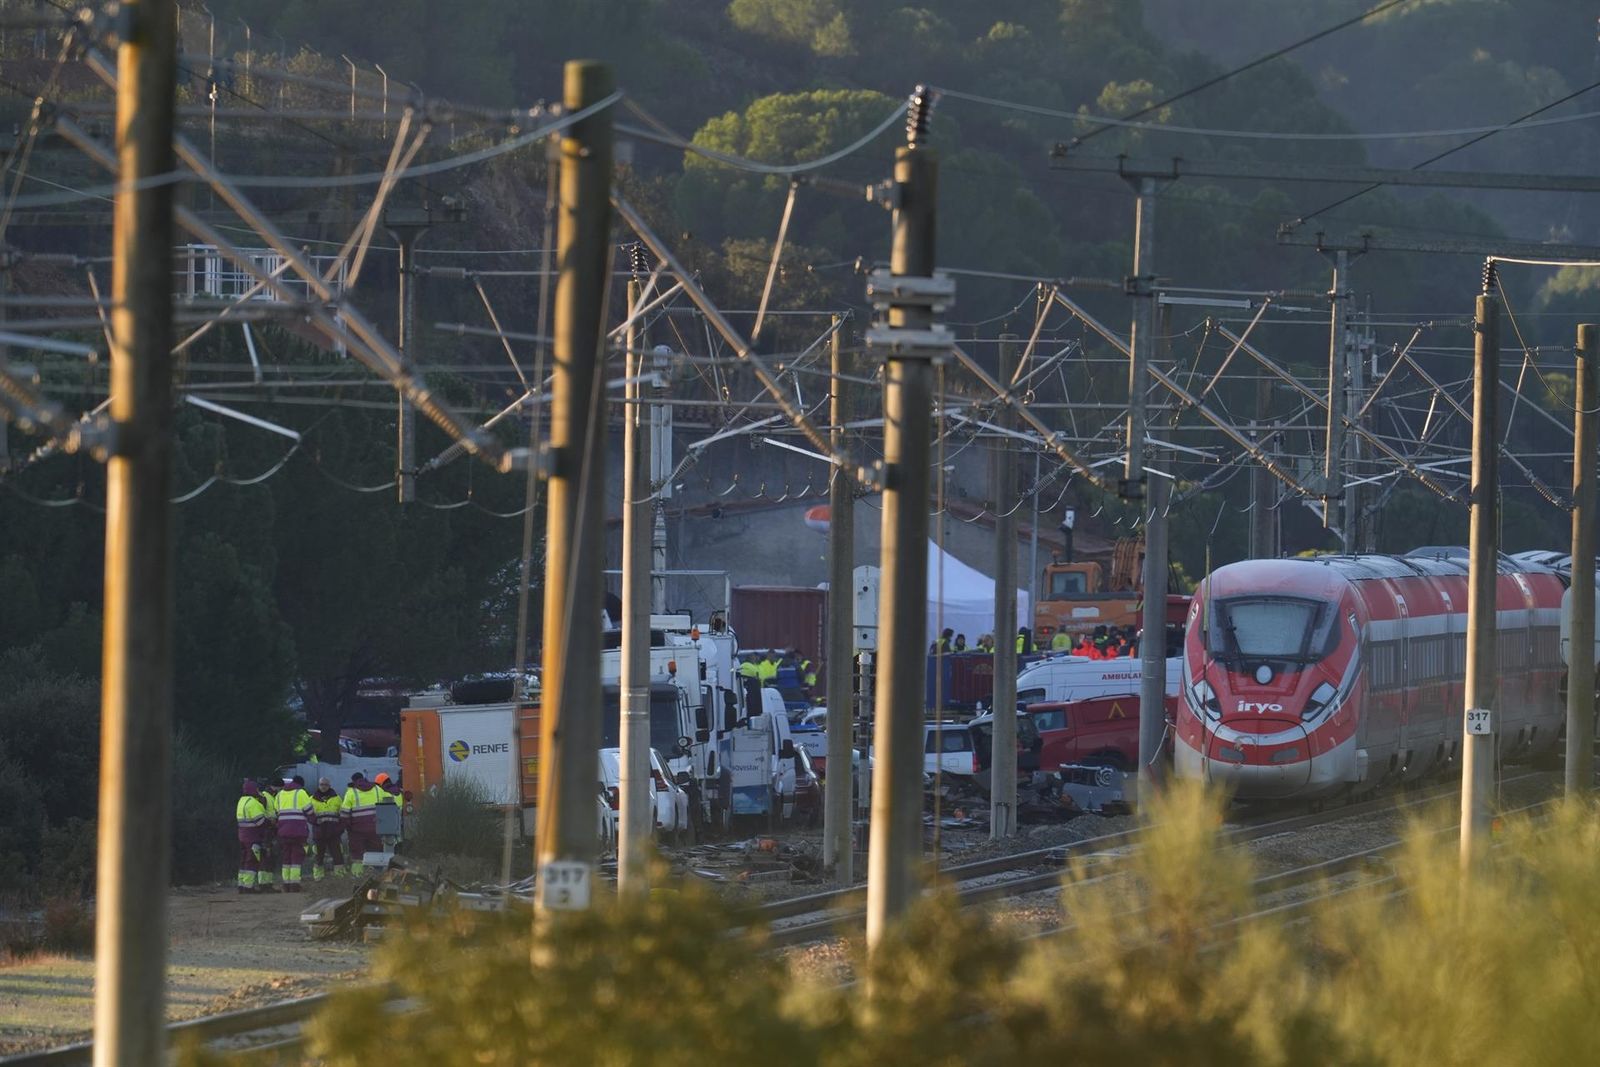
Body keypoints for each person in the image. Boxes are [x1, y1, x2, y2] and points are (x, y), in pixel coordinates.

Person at [274, 776, 314, 892]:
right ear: (301, 785)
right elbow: (309, 811)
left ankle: (286, 884)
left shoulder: (280, 794)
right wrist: (314, 820)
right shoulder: (301, 793)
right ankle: (294, 884)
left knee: (286, 857)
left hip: (283, 831)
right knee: (296, 857)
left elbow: (276, 811)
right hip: (298, 831)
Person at [341, 773, 383, 877]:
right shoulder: (377, 789)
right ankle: (376, 875)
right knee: (376, 851)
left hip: (357, 830)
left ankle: (357, 876)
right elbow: (389, 802)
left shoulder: (351, 792)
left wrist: (347, 827)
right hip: (375, 828)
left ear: (353, 781)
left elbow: (344, 813)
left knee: (357, 855)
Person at [235, 779, 269, 894]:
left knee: (243, 860)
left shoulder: (241, 801)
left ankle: (241, 885)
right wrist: (269, 822)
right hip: (253, 837)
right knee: (252, 861)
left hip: (242, 836)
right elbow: (260, 822)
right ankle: (248, 887)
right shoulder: (253, 803)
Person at [310, 776, 346, 880]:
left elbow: (343, 815)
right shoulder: (311, 799)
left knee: (338, 856)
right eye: (321, 784)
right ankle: (318, 877)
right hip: (319, 833)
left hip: (334, 833)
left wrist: (340, 829)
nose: (323, 787)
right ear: (318, 785)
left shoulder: (337, 798)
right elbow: (308, 814)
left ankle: (340, 877)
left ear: (329, 786)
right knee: (318, 857)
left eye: (325, 784)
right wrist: (314, 822)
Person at [258, 779, 280, 890]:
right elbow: (260, 814)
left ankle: (268, 883)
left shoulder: (272, 797)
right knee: (266, 857)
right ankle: (264, 884)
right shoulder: (265, 797)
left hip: (272, 831)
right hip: (267, 832)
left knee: (271, 857)